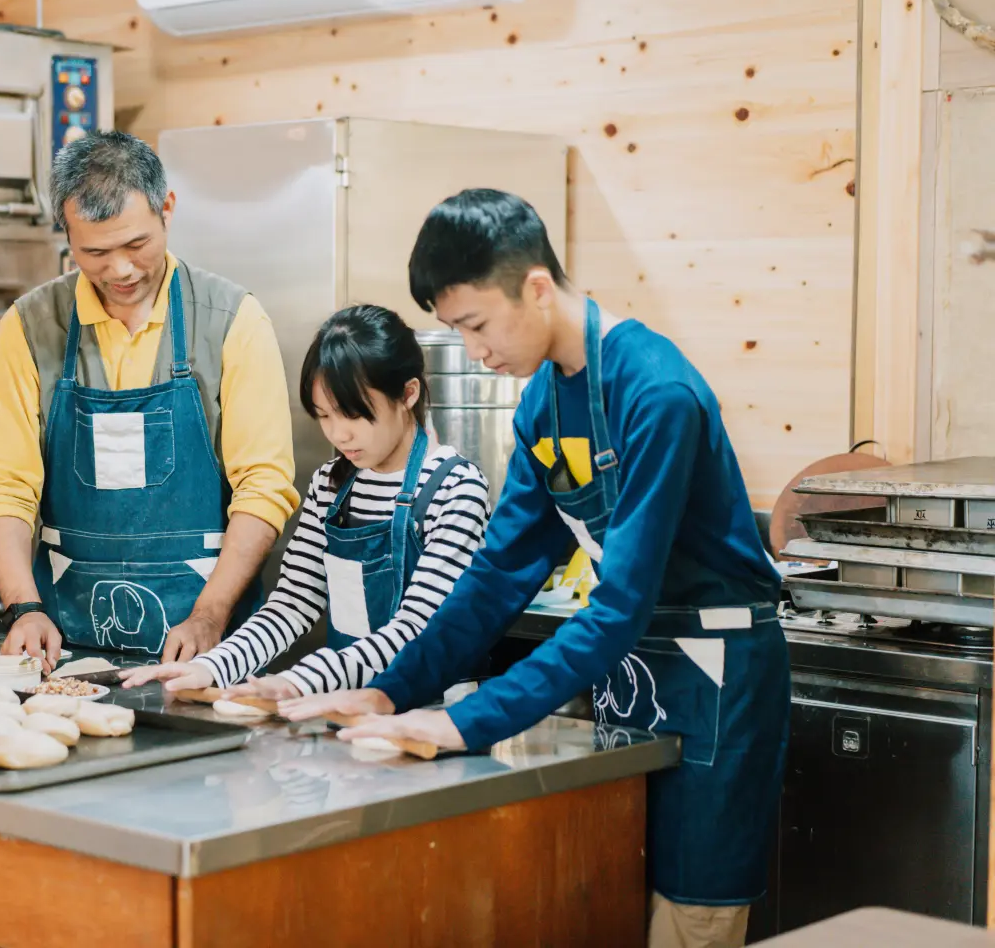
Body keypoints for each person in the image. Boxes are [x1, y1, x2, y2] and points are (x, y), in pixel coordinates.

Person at [283, 190, 790, 948]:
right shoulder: (543, 404)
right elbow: (495, 578)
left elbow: (617, 608)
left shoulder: (654, 392)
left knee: (692, 919)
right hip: (630, 681)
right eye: (455, 329)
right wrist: (390, 691)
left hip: (713, 679)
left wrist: (466, 720)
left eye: (478, 325)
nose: (476, 350)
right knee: (602, 894)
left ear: (538, 287)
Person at [0, 131, 299, 669]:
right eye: (95, 252)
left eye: (136, 245)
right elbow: (2, 485)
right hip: (67, 649)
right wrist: (22, 608)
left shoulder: (232, 320)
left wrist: (211, 615)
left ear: (167, 209)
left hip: (208, 650)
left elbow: (264, 487)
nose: (120, 270)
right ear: (67, 234)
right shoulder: (29, 328)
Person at [121, 305, 491, 700]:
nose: (340, 435)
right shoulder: (331, 485)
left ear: (407, 393)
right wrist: (210, 666)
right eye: (325, 416)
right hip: (344, 703)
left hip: (434, 713)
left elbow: (418, 630)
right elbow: (291, 605)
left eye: (353, 414)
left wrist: (301, 680)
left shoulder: (455, 488)